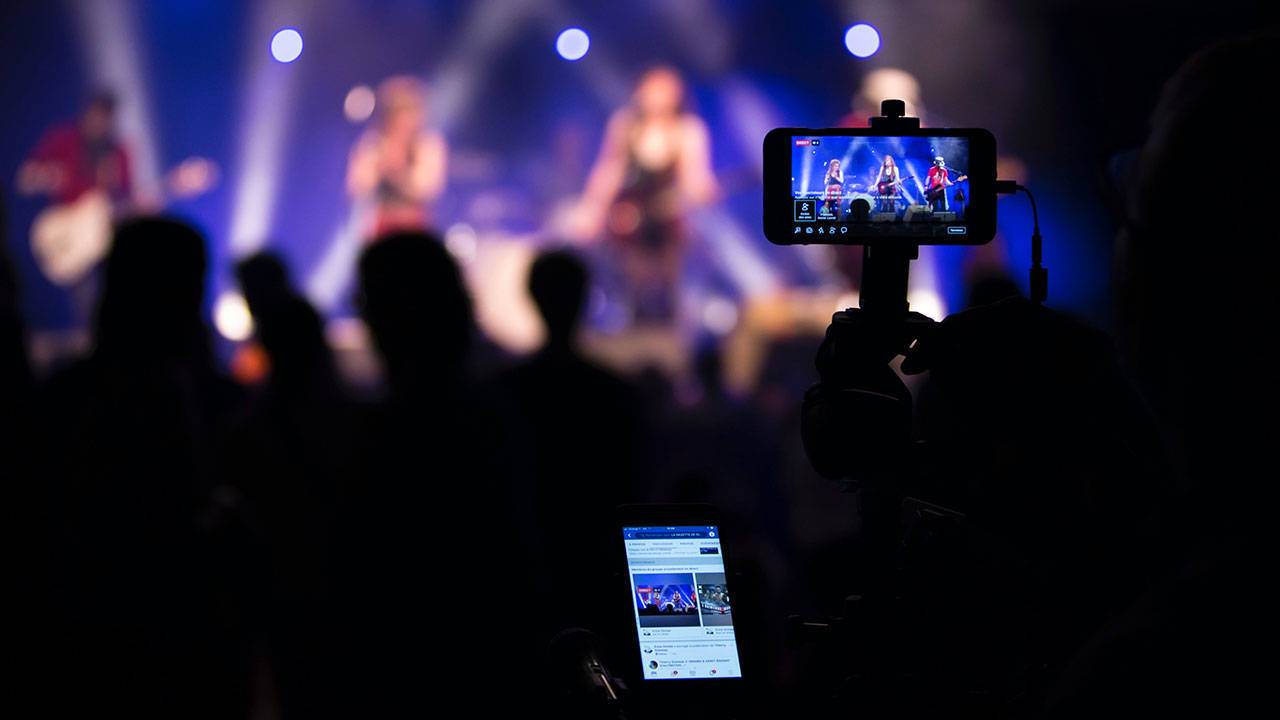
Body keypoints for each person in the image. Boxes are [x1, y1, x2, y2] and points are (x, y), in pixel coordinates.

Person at [571, 66, 718, 323]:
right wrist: (592, 210)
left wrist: (702, 190)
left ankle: (669, 327)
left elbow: (695, 177)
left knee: (670, 283)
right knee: (631, 282)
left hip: (668, 220)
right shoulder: (625, 125)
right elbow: (609, 170)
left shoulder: (688, 130)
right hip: (630, 219)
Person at [345, 76, 448, 238]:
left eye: (410, 113)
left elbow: (428, 188)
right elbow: (356, 187)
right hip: (381, 225)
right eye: (399, 114)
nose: (405, 121)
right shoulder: (374, 144)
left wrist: (396, 171)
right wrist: (378, 165)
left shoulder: (427, 145)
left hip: (416, 225)